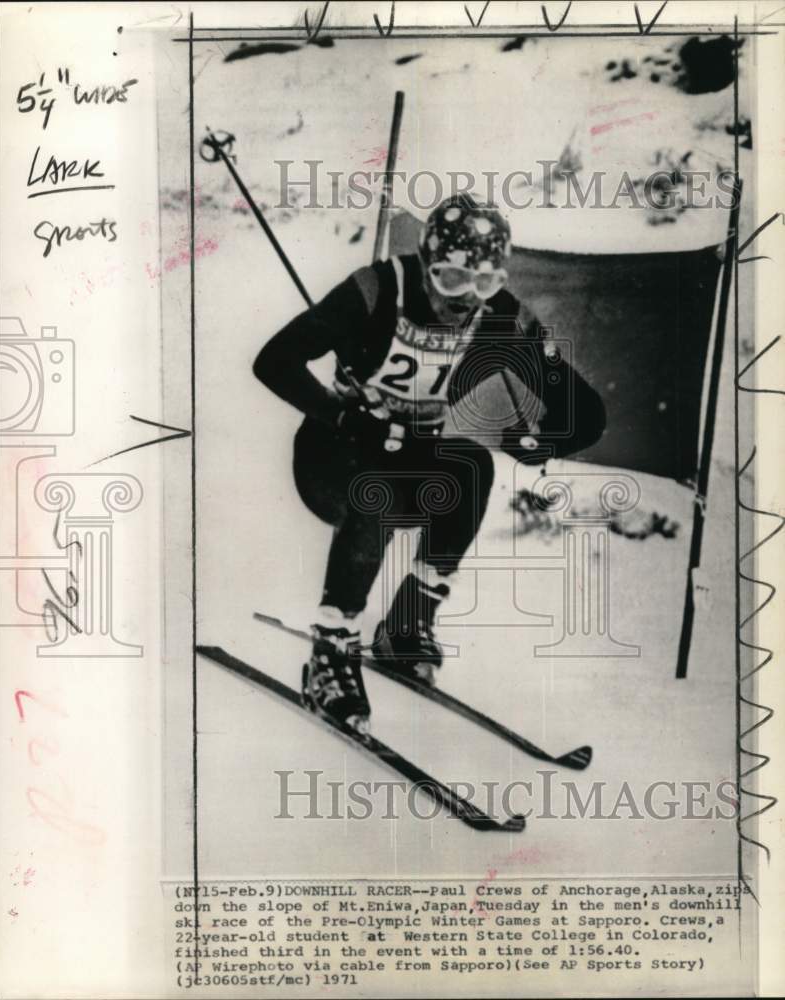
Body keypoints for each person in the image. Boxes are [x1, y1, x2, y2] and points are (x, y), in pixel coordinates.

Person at [254, 194, 605, 733]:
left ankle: (408, 621)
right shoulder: (375, 289)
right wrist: (340, 415)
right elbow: (274, 360)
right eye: (450, 279)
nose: (464, 299)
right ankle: (332, 647)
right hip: (333, 456)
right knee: (373, 489)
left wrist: (535, 443)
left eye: (483, 283)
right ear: (425, 263)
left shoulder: (503, 316)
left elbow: (584, 414)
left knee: (471, 466)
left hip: (410, 458)